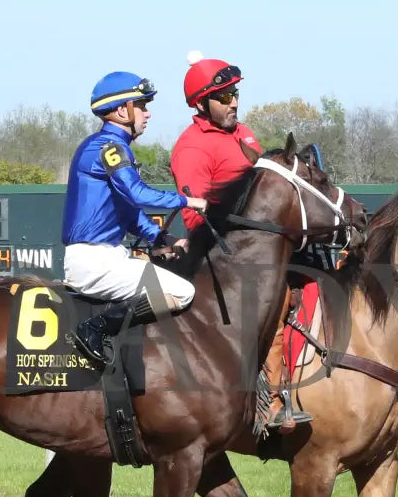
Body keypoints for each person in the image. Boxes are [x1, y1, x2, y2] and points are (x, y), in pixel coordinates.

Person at [170, 52, 312, 434]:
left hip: (268, 249)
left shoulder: (244, 134)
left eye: (234, 92)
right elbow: (193, 217)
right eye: (224, 95)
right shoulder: (192, 148)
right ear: (202, 104)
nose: (233, 101)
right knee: (277, 300)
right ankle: (269, 401)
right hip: (226, 260)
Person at [62, 71, 208, 366]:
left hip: (107, 258)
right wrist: (187, 200)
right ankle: (95, 329)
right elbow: (139, 194)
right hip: (94, 263)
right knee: (183, 292)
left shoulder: (113, 147)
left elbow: (129, 213)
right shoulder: (108, 148)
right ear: (122, 110)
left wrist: (162, 240)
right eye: (142, 105)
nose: (147, 113)